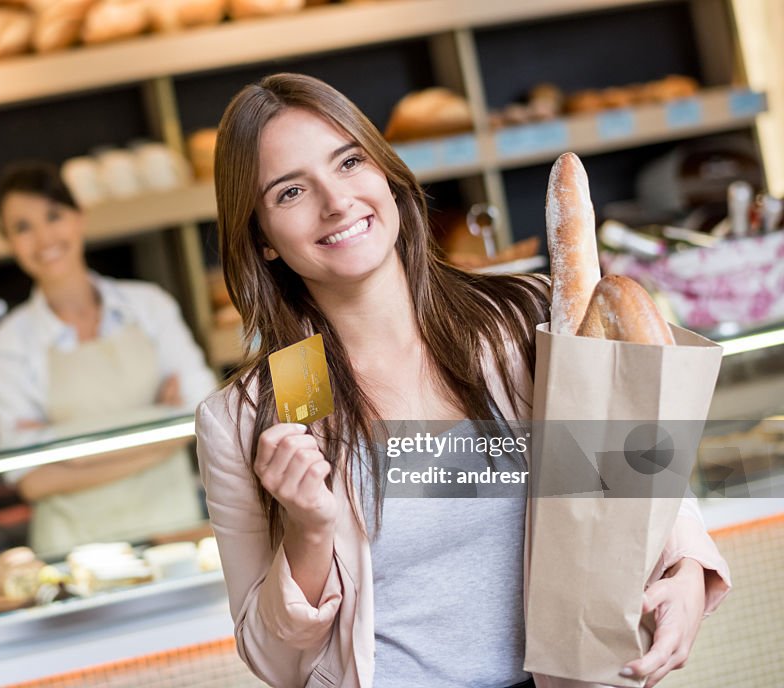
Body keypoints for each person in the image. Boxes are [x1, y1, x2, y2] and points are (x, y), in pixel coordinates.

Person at [195, 74, 730, 688]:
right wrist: (307, 530)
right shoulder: (271, 404)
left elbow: (632, 452)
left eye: (349, 162)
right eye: (290, 191)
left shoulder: (522, 318)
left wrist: (687, 565)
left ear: (388, 175)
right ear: (261, 238)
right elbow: (274, 662)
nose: (336, 201)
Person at [0, 160, 217, 555]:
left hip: (174, 539)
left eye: (53, 216)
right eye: (22, 227)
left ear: (79, 218)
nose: (42, 237)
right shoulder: (5, 345)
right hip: (72, 554)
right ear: (8, 242)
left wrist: (67, 454)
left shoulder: (149, 306)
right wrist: (158, 433)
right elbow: (30, 480)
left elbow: (204, 416)